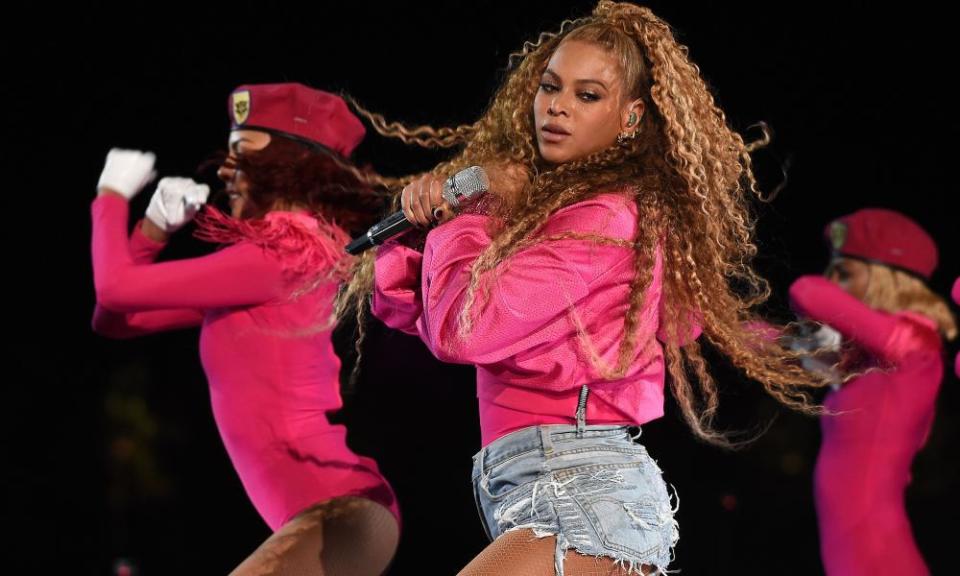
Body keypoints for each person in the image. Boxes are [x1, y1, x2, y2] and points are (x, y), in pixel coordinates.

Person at [351, 2, 832, 574]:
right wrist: (411, 242)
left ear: (630, 117)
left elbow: (464, 331)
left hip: (580, 491)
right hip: (540, 487)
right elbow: (430, 316)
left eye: (587, 95)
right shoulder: (566, 216)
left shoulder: (606, 221)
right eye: (550, 87)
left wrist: (469, 214)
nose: (556, 106)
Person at [91, 83, 399, 575]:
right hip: (331, 514)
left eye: (242, 155)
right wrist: (151, 227)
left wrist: (110, 198)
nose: (226, 171)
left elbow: (114, 289)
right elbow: (114, 320)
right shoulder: (268, 265)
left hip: (341, 510)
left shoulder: (286, 253)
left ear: (290, 163)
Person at [789, 208, 956, 575]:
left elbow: (806, 290)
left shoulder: (916, 346)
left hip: (879, 558)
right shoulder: (868, 361)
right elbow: (774, 343)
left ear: (886, 280)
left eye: (845, 274)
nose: (835, 284)